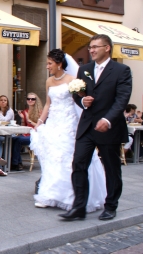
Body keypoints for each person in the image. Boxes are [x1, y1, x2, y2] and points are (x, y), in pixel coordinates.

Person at [57, 35, 132, 221]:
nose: (91, 50)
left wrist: (108, 119)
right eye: (90, 47)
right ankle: (79, 207)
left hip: (109, 128)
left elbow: (122, 99)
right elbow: (77, 93)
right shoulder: (85, 69)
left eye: (95, 47)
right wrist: (82, 100)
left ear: (107, 48)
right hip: (87, 125)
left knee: (111, 168)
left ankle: (111, 206)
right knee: (78, 164)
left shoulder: (122, 70)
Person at [31, 49, 106, 212]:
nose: (47, 66)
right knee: (52, 159)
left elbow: (81, 102)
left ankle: (71, 196)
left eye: (50, 63)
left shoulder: (73, 80)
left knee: (67, 158)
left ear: (59, 64)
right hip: (54, 123)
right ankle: (50, 195)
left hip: (68, 123)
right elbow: (48, 104)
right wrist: (40, 122)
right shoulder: (49, 81)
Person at [11, 92, 43, 171]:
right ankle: (18, 162)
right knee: (12, 139)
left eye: (32, 99)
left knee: (18, 140)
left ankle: (15, 163)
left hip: (35, 135)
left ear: (36, 100)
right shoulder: (25, 111)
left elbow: (40, 127)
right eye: (28, 99)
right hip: (25, 134)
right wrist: (22, 118)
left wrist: (29, 120)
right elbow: (24, 126)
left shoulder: (40, 112)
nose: (30, 100)